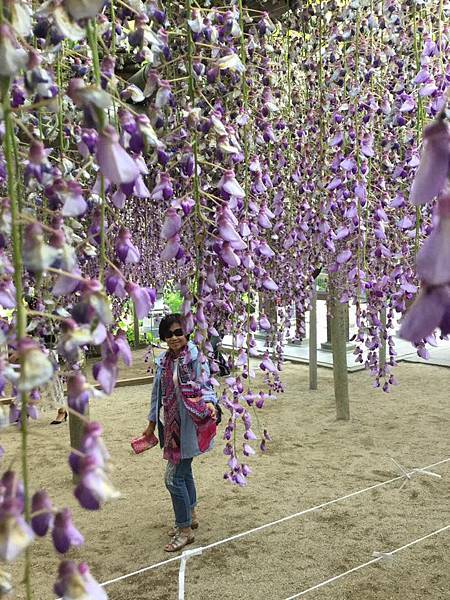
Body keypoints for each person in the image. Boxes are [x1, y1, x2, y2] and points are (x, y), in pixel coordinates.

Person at [143, 314, 218, 552]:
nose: (174, 338)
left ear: (186, 333)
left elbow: (205, 385)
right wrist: (151, 424)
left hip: (189, 426)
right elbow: (157, 396)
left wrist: (210, 404)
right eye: (169, 334)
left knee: (173, 478)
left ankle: (184, 529)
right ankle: (191, 514)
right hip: (170, 426)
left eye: (178, 332)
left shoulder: (197, 358)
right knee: (184, 473)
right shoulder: (164, 361)